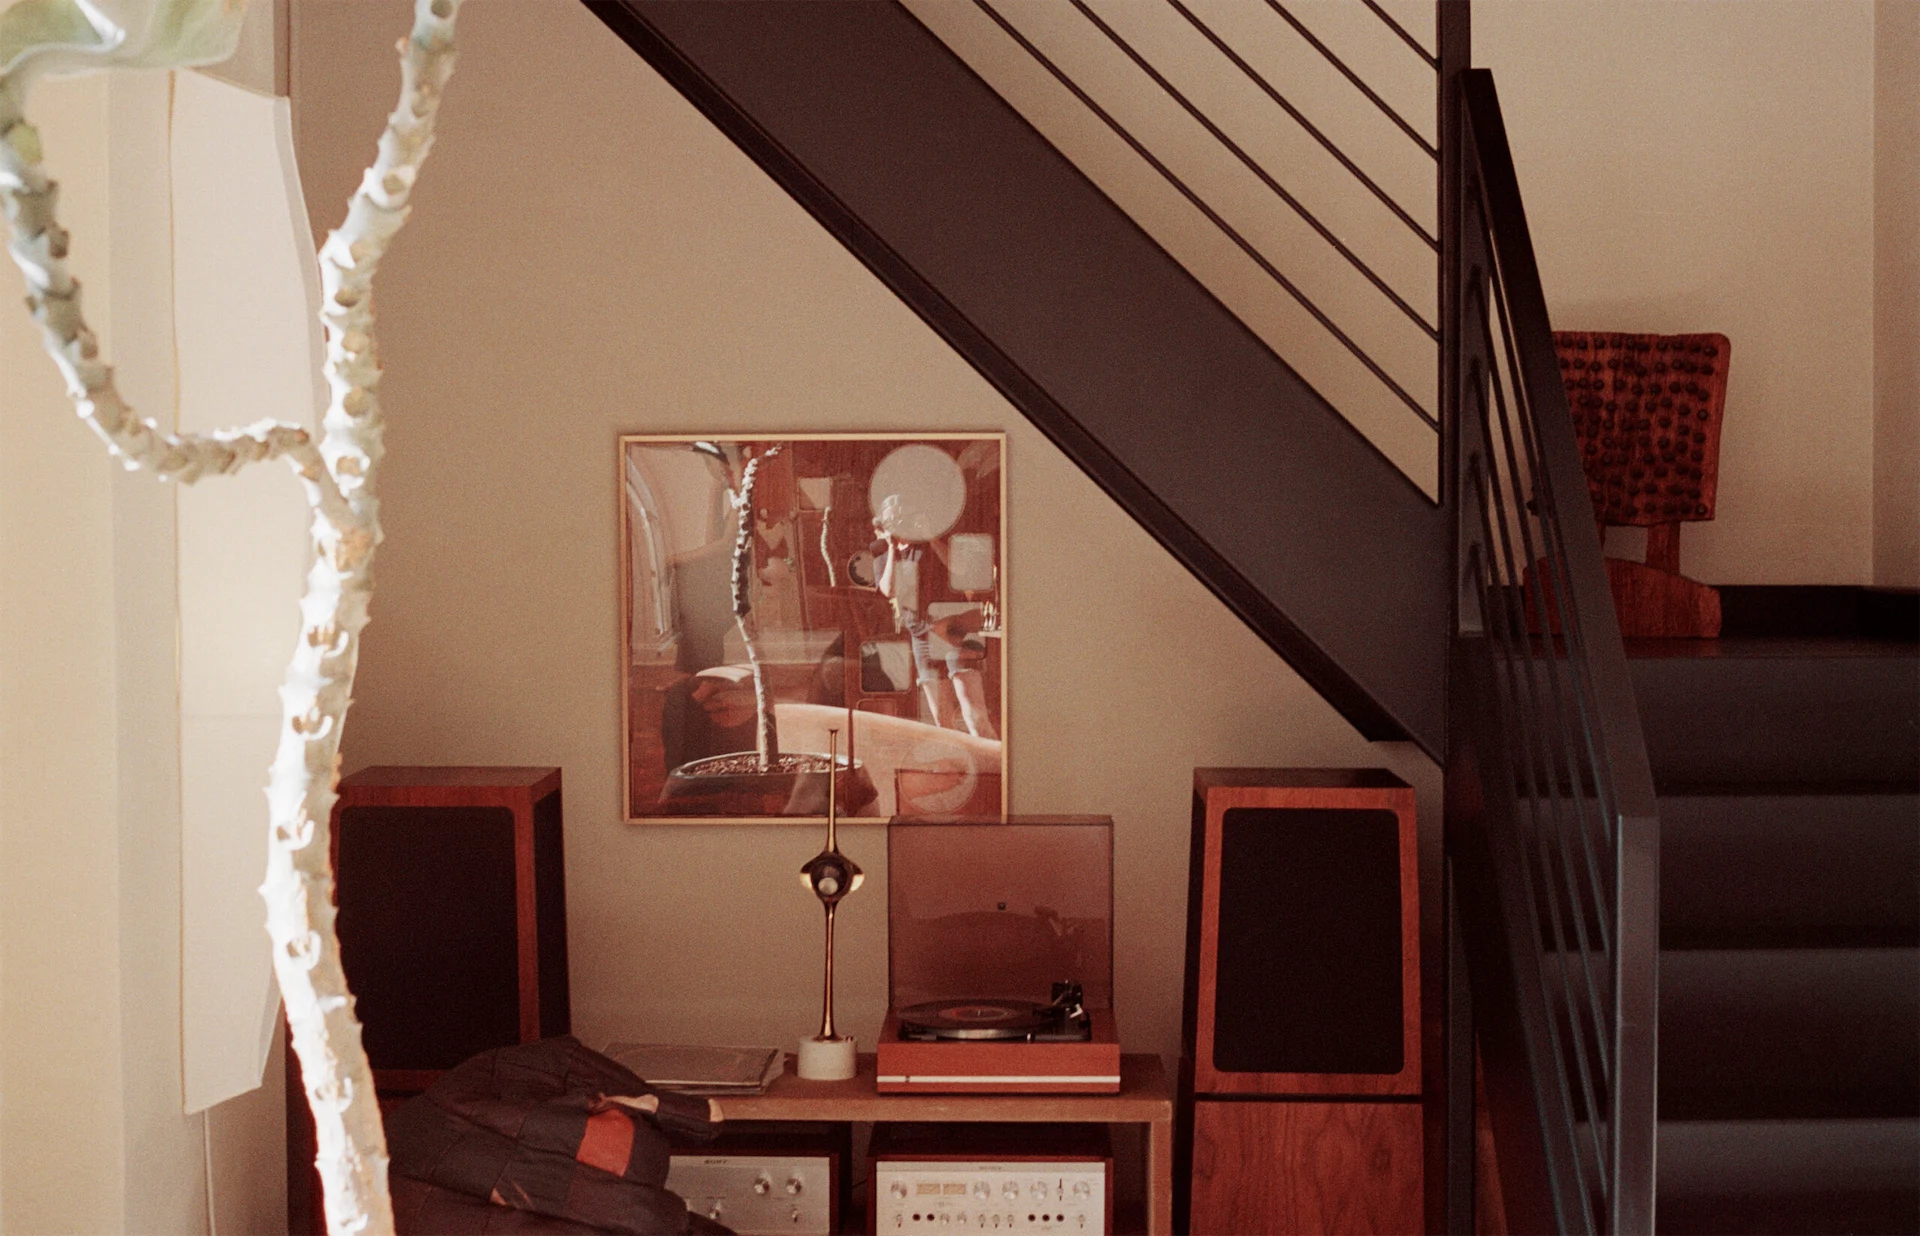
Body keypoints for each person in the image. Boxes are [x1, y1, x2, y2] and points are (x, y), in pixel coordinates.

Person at [871, 498, 997, 740]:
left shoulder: (932, 541)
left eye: (903, 518)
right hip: (922, 635)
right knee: (942, 721)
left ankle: (993, 759)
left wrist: (930, 536)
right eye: (893, 521)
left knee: (975, 715)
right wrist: (891, 547)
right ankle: (961, 760)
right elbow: (889, 590)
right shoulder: (883, 551)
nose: (900, 525)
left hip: (954, 628)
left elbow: (959, 569)